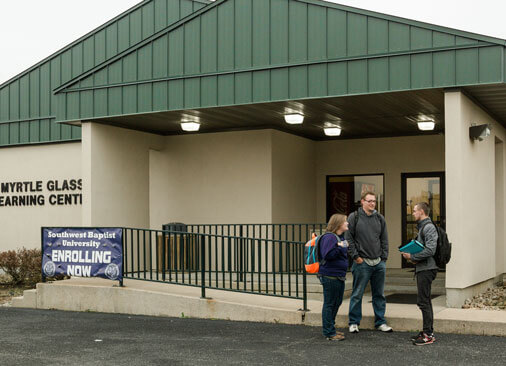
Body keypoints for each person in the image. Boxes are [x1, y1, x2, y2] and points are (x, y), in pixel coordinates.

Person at [346, 191, 393, 333]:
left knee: (379, 294)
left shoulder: (380, 218)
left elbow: (384, 239)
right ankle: (354, 322)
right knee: (357, 294)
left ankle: (380, 322)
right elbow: (349, 239)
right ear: (362, 202)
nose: (372, 203)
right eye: (369, 201)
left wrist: (383, 258)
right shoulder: (354, 217)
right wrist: (356, 257)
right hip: (362, 263)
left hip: (378, 263)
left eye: (374, 201)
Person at [402, 202, 438, 345]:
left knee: (424, 301)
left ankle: (428, 335)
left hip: (427, 269)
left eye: (415, 211)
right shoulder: (423, 227)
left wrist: (412, 257)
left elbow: (430, 250)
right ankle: (427, 331)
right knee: (424, 301)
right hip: (423, 268)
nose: (413, 213)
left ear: (422, 212)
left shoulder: (428, 228)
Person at [318, 214, 350, 341]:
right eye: (345, 221)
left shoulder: (338, 237)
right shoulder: (330, 237)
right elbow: (328, 255)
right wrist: (341, 247)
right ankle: (329, 332)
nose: (347, 223)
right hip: (330, 276)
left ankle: (331, 328)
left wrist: (341, 245)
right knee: (330, 303)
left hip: (338, 276)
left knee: (336, 302)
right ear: (338, 224)